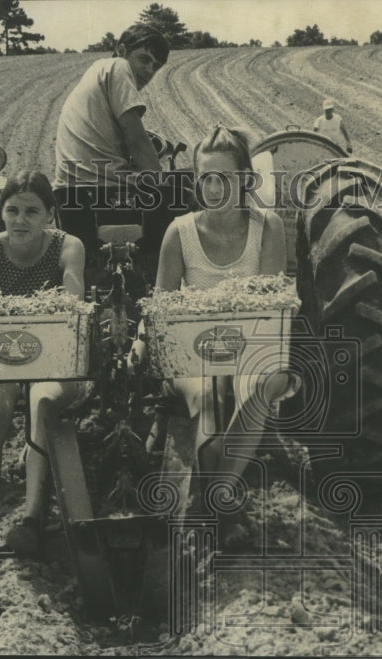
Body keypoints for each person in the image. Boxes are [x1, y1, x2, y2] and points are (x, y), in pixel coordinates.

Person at [144, 126, 291, 495]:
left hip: (252, 351)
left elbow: (268, 306)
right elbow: (162, 311)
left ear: (245, 180)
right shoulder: (179, 233)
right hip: (193, 356)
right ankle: (223, 497)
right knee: (208, 396)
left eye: (224, 178)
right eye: (206, 178)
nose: (213, 189)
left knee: (258, 384)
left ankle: (217, 494)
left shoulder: (268, 228)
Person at [0, 170, 86, 560]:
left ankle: (29, 519)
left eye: (31, 211)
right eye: (12, 210)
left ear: (50, 215)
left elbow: (71, 301)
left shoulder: (67, 247)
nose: (20, 220)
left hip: (54, 357)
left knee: (42, 400)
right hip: (0, 358)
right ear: (0, 213)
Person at [52, 24, 179, 285]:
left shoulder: (94, 76)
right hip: (102, 186)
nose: (149, 70)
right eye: (144, 58)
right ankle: (163, 287)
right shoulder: (117, 66)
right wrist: (161, 180)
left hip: (68, 193)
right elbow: (135, 136)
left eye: (155, 66)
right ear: (121, 50)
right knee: (185, 190)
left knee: (86, 273)